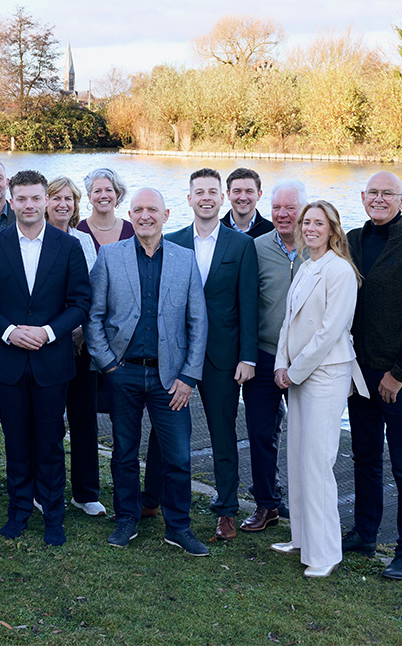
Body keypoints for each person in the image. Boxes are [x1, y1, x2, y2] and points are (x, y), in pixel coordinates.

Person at [0, 170, 91, 546]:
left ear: (45, 200)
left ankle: (54, 516)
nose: (28, 205)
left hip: (51, 360)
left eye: (35, 199)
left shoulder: (68, 246)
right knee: (17, 440)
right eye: (20, 199)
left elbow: (81, 303)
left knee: (51, 440)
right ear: (11, 200)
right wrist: (9, 331)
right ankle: (19, 511)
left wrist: (47, 332)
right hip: (9, 361)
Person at [86, 188, 209, 554]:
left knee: (178, 456)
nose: (145, 216)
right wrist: (107, 363)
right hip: (122, 372)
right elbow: (94, 317)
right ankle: (127, 520)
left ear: (166, 214)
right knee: (124, 451)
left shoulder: (185, 260)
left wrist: (188, 377)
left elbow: (198, 322)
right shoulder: (109, 256)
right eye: (137, 210)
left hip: (169, 378)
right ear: (130, 214)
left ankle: (179, 527)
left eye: (152, 209)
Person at [142, 168, 258, 541]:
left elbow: (249, 306)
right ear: (189, 198)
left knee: (223, 434)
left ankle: (225, 510)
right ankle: (151, 498)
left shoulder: (240, 246)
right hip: (176, 356)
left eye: (212, 191)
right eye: (199, 192)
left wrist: (248, 357)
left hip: (223, 358)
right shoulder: (171, 242)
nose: (206, 197)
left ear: (221, 198)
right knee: (164, 432)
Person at [342, 171, 402, 580]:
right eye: (373, 193)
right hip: (359, 374)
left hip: (401, 377)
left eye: (388, 194)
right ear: (363, 197)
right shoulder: (351, 240)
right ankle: (365, 534)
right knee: (364, 457)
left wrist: (398, 375)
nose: (379, 199)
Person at [271, 201, 369, 578]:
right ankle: (302, 537)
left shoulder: (340, 270)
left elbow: (330, 331)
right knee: (297, 457)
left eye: (318, 223)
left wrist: (295, 371)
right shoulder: (306, 265)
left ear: (332, 230)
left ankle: (326, 551)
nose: (310, 228)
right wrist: (282, 363)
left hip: (325, 374)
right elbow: (288, 323)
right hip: (297, 373)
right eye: (306, 222)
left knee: (317, 461)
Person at [241, 179, 307, 533]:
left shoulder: (322, 247)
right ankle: (267, 504)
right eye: (277, 208)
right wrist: (247, 356)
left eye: (291, 208)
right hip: (265, 356)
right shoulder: (257, 248)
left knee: (307, 436)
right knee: (261, 433)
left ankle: (305, 507)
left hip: (307, 360)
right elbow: (247, 304)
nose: (283, 215)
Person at [45, 175, 104, 517]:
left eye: (68, 199)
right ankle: (48, 488)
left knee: (84, 417)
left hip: (81, 345)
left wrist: (82, 332)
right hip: (47, 343)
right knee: (49, 420)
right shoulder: (36, 239)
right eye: (56, 199)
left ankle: (85, 492)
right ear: (46, 203)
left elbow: (92, 293)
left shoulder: (84, 241)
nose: (62, 205)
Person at [77, 167, 134, 251]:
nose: (104, 195)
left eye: (108, 190)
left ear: (117, 194)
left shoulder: (131, 230)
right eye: (97, 191)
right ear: (89, 197)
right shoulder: (78, 231)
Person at [220, 167, 274, 238]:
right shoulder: (216, 230)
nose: (243, 198)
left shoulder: (272, 232)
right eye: (237, 191)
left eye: (249, 191)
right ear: (228, 194)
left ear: (259, 194)